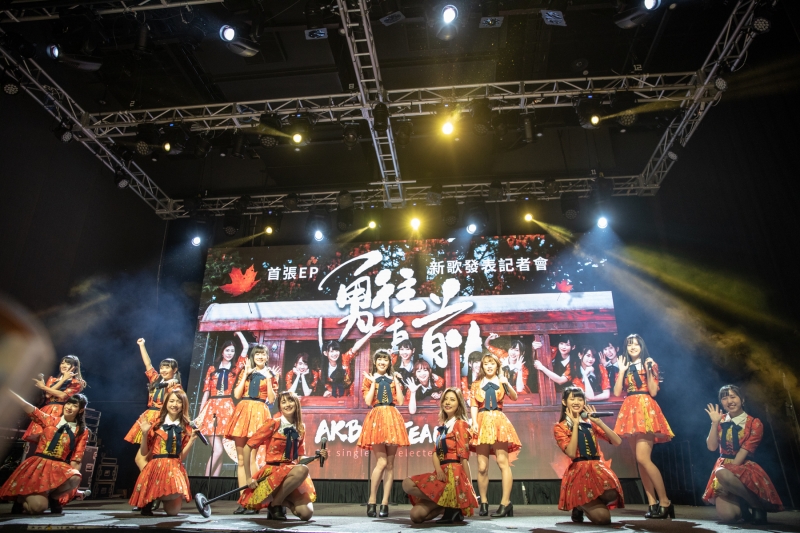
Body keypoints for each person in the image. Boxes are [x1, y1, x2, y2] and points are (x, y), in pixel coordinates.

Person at [238, 391, 327, 520]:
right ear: (280, 407)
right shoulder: (273, 423)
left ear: (296, 404)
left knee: (306, 514)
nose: (287, 405)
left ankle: (277, 503)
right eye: (283, 402)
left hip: (290, 475)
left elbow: (300, 457)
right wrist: (248, 478)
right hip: (272, 474)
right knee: (303, 469)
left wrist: (317, 457)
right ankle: (276, 504)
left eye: (290, 401)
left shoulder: (300, 427)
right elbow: (248, 447)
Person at [613, 334, 674, 519]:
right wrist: (621, 370)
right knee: (639, 461)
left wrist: (648, 370)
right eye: (629, 344)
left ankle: (665, 501)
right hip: (629, 409)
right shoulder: (624, 365)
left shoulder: (650, 363)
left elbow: (653, 392)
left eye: (636, 344)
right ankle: (652, 502)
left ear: (641, 346)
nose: (632, 347)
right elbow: (617, 392)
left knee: (643, 458)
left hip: (645, 408)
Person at [702, 385, 783, 524]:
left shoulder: (754, 423)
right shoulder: (720, 420)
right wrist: (714, 423)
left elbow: (743, 452)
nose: (729, 401)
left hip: (743, 466)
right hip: (722, 466)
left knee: (721, 472)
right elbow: (711, 447)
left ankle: (756, 505)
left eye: (733, 397)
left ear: (742, 399)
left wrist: (725, 482)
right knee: (729, 517)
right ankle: (743, 507)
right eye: (725, 398)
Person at [0, 391, 89, 514]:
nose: (69, 407)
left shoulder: (82, 431)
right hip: (39, 464)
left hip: (58, 466)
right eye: (68, 403)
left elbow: (77, 458)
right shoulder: (50, 419)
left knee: (75, 477)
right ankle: (20, 500)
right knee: (38, 508)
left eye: (74, 405)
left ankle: (54, 498)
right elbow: (29, 408)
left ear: (80, 410)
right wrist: (10, 392)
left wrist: (73, 487)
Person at [402, 388, 478, 523]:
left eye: (452, 400)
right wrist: (438, 470)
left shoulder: (461, 424)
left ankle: (452, 504)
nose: (448, 402)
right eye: (445, 399)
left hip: (454, 475)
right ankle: (447, 505)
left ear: (459, 404)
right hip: (441, 472)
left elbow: (463, 458)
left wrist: (469, 487)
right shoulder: (442, 427)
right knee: (415, 513)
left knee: (415, 510)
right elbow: (435, 453)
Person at [554, 386, 624, 525]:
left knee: (611, 493)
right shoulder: (560, 427)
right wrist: (575, 425)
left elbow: (617, 441)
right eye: (572, 399)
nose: (576, 402)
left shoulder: (590, 423)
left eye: (580, 399)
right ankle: (580, 505)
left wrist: (599, 422)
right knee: (603, 519)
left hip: (597, 469)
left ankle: (586, 504)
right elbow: (571, 453)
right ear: (564, 402)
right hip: (579, 472)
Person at [128, 390, 199, 516]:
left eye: (179, 402)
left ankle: (160, 497)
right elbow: (144, 453)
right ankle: (151, 498)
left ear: (184, 405)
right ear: (166, 403)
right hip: (155, 467)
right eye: (171, 401)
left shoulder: (186, 427)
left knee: (173, 512)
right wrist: (145, 434)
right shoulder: (156, 423)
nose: (175, 404)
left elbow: (181, 457)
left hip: (174, 466)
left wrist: (192, 440)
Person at [226, 344, 277, 514]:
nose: (260, 357)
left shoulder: (271, 374)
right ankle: (243, 500)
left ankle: (255, 499)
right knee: (241, 460)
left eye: (263, 354)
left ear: (267, 357)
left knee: (252, 459)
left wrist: (268, 379)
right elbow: (237, 395)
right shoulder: (246, 372)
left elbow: (272, 399)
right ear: (252, 357)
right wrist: (246, 374)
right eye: (257, 354)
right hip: (243, 411)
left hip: (259, 412)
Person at [358, 349, 409, 518]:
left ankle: (385, 503)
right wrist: (373, 382)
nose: (382, 362)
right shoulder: (368, 378)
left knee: (390, 464)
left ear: (389, 362)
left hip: (392, 418)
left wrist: (397, 382)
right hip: (377, 417)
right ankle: (372, 500)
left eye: (385, 360)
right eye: (379, 359)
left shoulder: (393, 379)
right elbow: (368, 401)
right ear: (375, 362)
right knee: (382, 461)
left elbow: (400, 401)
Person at [470, 352, 521, 518]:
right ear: (482, 367)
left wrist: (507, 383)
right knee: (482, 466)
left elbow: (514, 397)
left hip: (498, 421)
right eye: (486, 364)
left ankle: (505, 503)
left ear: (497, 365)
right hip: (482, 421)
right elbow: (473, 405)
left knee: (502, 462)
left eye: (492, 363)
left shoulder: (502, 381)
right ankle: (484, 502)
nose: (489, 366)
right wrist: (474, 422)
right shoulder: (476, 384)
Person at [195, 332, 249, 477]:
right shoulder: (212, 369)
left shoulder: (235, 368)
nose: (230, 353)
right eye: (227, 350)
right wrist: (200, 414)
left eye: (232, 351)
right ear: (222, 351)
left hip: (227, 408)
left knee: (221, 451)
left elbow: (246, 347)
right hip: (211, 408)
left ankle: (214, 482)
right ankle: (204, 480)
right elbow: (206, 391)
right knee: (217, 450)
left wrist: (239, 333)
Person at [124, 339, 182, 471]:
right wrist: (142, 345)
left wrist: (169, 387)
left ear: (174, 370)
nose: (163, 370)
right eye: (162, 367)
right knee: (143, 458)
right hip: (149, 416)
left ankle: (151, 478)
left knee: (144, 457)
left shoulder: (175, 386)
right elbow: (148, 364)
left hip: (161, 418)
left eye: (167, 367)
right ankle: (152, 478)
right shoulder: (156, 379)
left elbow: (172, 405)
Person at [22, 355, 86, 443]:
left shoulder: (76, 383)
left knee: (54, 437)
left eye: (68, 364)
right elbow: (48, 395)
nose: (64, 365)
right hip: (47, 409)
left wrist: (43, 387)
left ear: (74, 367)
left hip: (61, 411)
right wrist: (63, 379)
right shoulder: (52, 379)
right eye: (62, 363)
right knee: (41, 438)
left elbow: (63, 395)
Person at [316, 322, 383, 397]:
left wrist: (370, 333)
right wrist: (329, 392)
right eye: (331, 351)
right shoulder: (322, 371)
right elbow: (328, 386)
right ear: (325, 353)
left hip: (352, 392)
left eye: (336, 350)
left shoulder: (344, 358)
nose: (335, 354)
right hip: (336, 396)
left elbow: (355, 347)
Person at [536, 347, 611, 400]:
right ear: (580, 355)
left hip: (598, 404)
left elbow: (606, 394)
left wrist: (593, 399)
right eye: (588, 356)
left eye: (593, 357)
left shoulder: (600, 368)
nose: (591, 359)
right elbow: (560, 380)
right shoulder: (574, 367)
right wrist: (542, 368)